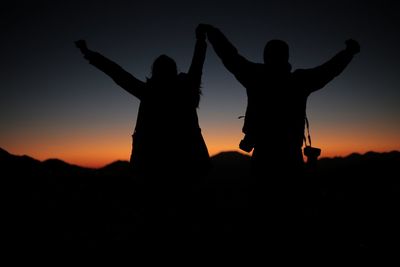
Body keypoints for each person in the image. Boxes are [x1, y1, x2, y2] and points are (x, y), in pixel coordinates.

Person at [203, 24, 360, 179]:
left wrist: (212, 33)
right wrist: (348, 52)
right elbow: (328, 70)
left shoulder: (255, 77)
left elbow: (230, 56)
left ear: (266, 56)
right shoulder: (298, 82)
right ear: (286, 57)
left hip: (263, 155)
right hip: (291, 157)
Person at [75, 26, 211, 179]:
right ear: (174, 71)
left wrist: (88, 53)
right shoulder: (187, 90)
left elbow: (116, 72)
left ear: (154, 72)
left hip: (150, 166)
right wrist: (200, 39)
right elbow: (198, 62)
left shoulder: (149, 92)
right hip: (191, 163)